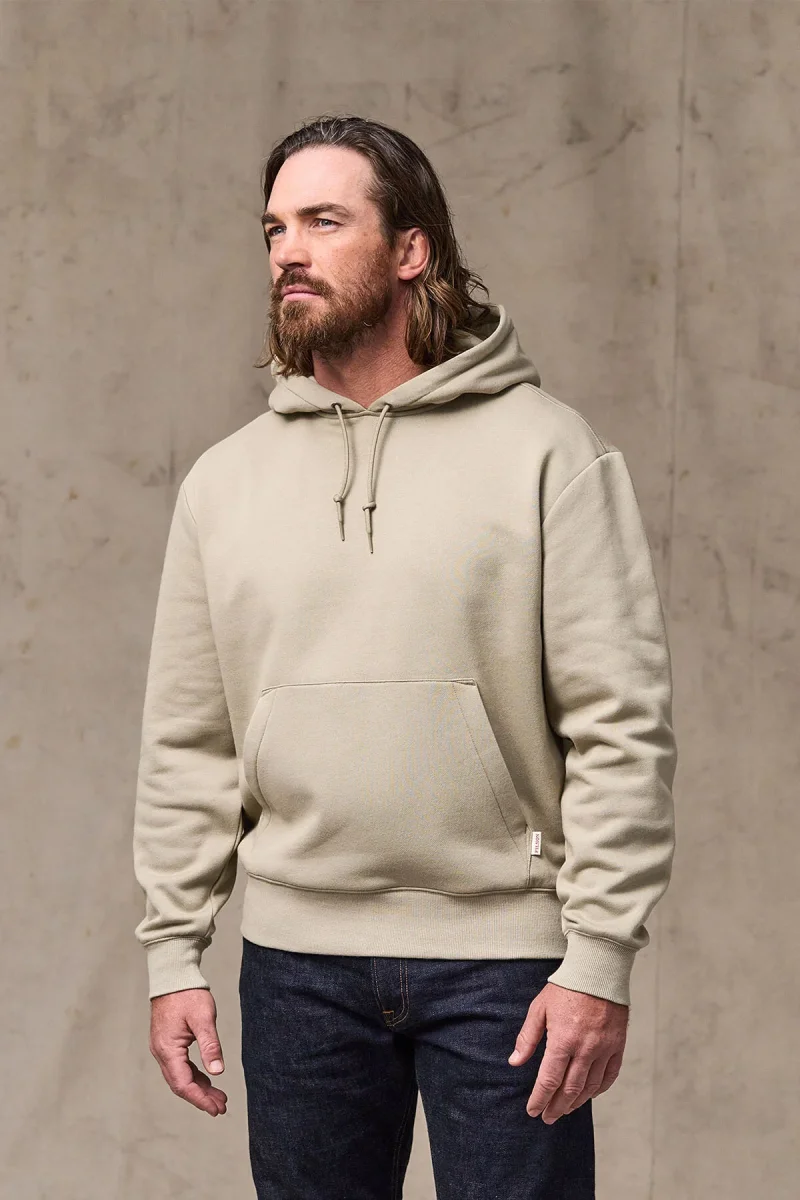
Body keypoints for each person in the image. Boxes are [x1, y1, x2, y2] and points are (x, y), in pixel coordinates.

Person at [133, 113, 677, 1199]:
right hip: (296, 969)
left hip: (507, 968)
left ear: (411, 249)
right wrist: (171, 953)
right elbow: (190, 741)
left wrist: (600, 958)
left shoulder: (548, 453)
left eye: (324, 221)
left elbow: (620, 726)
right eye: (275, 228)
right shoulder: (224, 483)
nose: (288, 251)